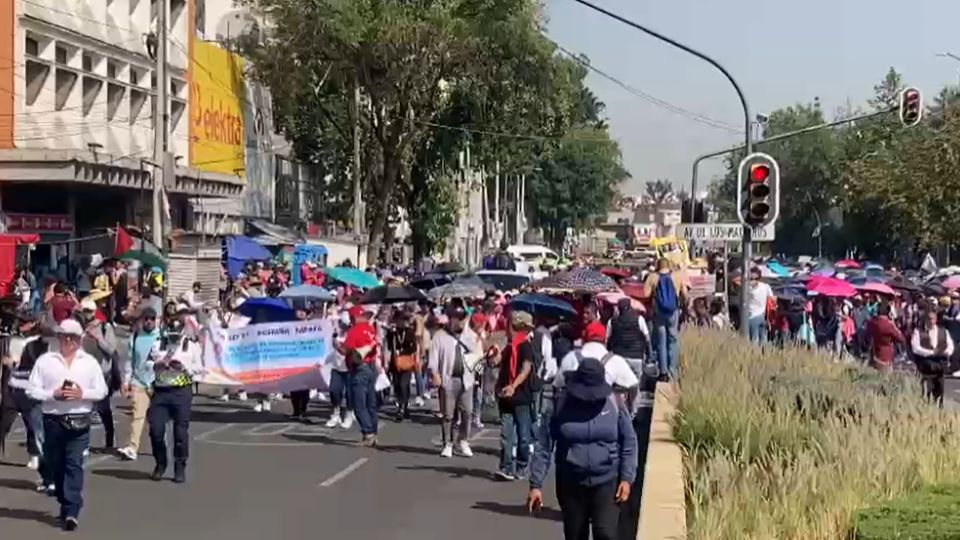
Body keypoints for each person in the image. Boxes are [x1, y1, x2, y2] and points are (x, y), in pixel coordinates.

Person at [527, 358, 637, 540]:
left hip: (607, 480)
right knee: (576, 535)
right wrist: (536, 484)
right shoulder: (560, 405)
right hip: (571, 482)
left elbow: (629, 441)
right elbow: (544, 445)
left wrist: (626, 478)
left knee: (605, 534)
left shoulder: (615, 404)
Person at [26, 319, 108, 531]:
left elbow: (102, 391)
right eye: (65, 336)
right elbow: (31, 390)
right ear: (59, 337)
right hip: (53, 420)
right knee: (56, 464)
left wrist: (83, 394)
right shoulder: (46, 360)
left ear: (80, 339)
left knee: (74, 463)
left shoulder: (89, 362)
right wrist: (52, 394)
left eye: (73, 337)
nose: (69, 340)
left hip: (79, 420)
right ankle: (65, 500)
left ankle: (72, 510)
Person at [148, 331, 203, 483]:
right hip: (161, 392)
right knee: (156, 431)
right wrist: (157, 365)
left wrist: (185, 368)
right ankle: (160, 463)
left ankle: (180, 467)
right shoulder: (158, 344)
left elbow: (200, 369)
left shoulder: (191, 346)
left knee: (180, 434)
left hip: (182, 392)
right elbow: (147, 364)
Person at [428, 306, 481, 458]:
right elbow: (433, 357)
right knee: (448, 414)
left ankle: (463, 440)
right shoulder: (440, 336)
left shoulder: (470, 335)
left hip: (467, 379)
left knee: (467, 411)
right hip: (448, 379)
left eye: (462, 318)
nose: (459, 321)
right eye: (456, 318)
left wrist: (478, 374)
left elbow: (477, 354)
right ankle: (447, 443)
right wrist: (434, 374)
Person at [493, 311, 536, 480]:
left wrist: (513, 385)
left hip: (521, 397)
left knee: (524, 437)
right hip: (505, 397)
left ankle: (522, 465)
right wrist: (492, 357)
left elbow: (526, 369)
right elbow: (498, 364)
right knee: (506, 435)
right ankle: (506, 467)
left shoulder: (525, 346)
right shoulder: (509, 347)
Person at [5, 314, 49, 472]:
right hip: (14, 386)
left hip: (30, 389)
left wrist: (14, 362)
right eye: (20, 323)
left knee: (33, 425)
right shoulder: (16, 340)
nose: (21, 326)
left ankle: (35, 455)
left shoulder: (38, 343)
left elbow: (34, 362)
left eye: (25, 323)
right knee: (4, 422)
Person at [117, 308, 161, 461]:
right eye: (146, 318)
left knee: (157, 421)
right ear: (142, 320)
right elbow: (129, 361)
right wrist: (126, 381)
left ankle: (160, 448)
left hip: (157, 384)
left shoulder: (161, 337)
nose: (149, 321)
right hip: (139, 382)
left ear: (155, 320)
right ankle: (132, 447)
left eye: (152, 318)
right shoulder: (135, 337)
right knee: (137, 416)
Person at [78, 299, 120, 450]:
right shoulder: (80, 328)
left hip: (103, 372)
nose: (87, 314)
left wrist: (98, 338)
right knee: (84, 408)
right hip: (84, 373)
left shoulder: (104, 327)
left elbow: (111, 349)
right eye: (84, 311)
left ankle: (110, 436)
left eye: (89, 311)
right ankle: (81, 442)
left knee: (103, 408)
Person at [339, 306, 380, 447]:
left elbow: (346, 349)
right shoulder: (370, 329)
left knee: (359, 404)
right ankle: (373, 433)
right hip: (370, 367)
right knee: (370, 403)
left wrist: (337, 345)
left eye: (351, 318)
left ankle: (368, 433)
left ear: (354, 317)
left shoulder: (355, 331)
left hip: (359, 368)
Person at [642, 258, 685, 381]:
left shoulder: (652, 277)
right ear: (669, 265)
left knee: (661, 341)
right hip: (673, 312)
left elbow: (645, 294)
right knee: (672, 340)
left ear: (657, 265)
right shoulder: (677, 276)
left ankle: (663, 372)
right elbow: (685, 294)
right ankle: (672, 373)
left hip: (659, 312)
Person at [606, 298, 649, 413]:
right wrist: (648, 355)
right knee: (635, 386)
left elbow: (607, 340)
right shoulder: (639, 319)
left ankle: (619, 410)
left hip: (619, 359)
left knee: (618, 386)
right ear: (630, 307)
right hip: (636, 358)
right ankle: (634, 413)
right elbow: (646, 338)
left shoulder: (612, 321)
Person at [911, 307, 954, 406]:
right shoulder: (918, 331)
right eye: (929, 319)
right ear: (925, 319)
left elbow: (950, 345)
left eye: (933, 319)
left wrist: (947, 352)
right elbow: (916, 348)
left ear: (936, 319)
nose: (931, 321)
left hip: (940, 366)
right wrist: (931, 352)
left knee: (939, 393)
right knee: (927, 393)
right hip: (926, 366)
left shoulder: (944, 331)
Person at [325, 306, 354, 429]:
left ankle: (349, 413)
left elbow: (346, 351)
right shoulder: (335, 333)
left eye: (345, 324)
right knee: (334, 390)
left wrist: (338, 346)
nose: (342, 326)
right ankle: (335, 413)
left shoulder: (352, 335)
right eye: (341, 323)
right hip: (336, 367)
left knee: (349, 393)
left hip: (349, 368)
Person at [388, 310, 419, 422]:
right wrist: (392, 334)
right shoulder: (393, 332)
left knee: (403, 384)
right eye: (398, 320)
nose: (400, 323)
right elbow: (389, 345)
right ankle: (404, 406)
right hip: (395, 362)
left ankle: (401, 408)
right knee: (397, 385)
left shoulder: (409, 332)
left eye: (402, 320)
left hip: (406, 361)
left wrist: (402, 351)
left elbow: (414, 347)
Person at [865, 303, 906, 373]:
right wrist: (894, 325)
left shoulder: (871, 322)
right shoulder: (888, 325)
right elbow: (901, 338)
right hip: (886, 356)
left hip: (874, 352)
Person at [745, 267, 774, 344]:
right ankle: (765, 355)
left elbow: (735, 280)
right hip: (762, 316)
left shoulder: (747, 288)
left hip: (751, 316)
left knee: (753, 341)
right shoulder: (766, 286)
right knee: (763, 340)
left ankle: (755, 355)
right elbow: (773, 299)